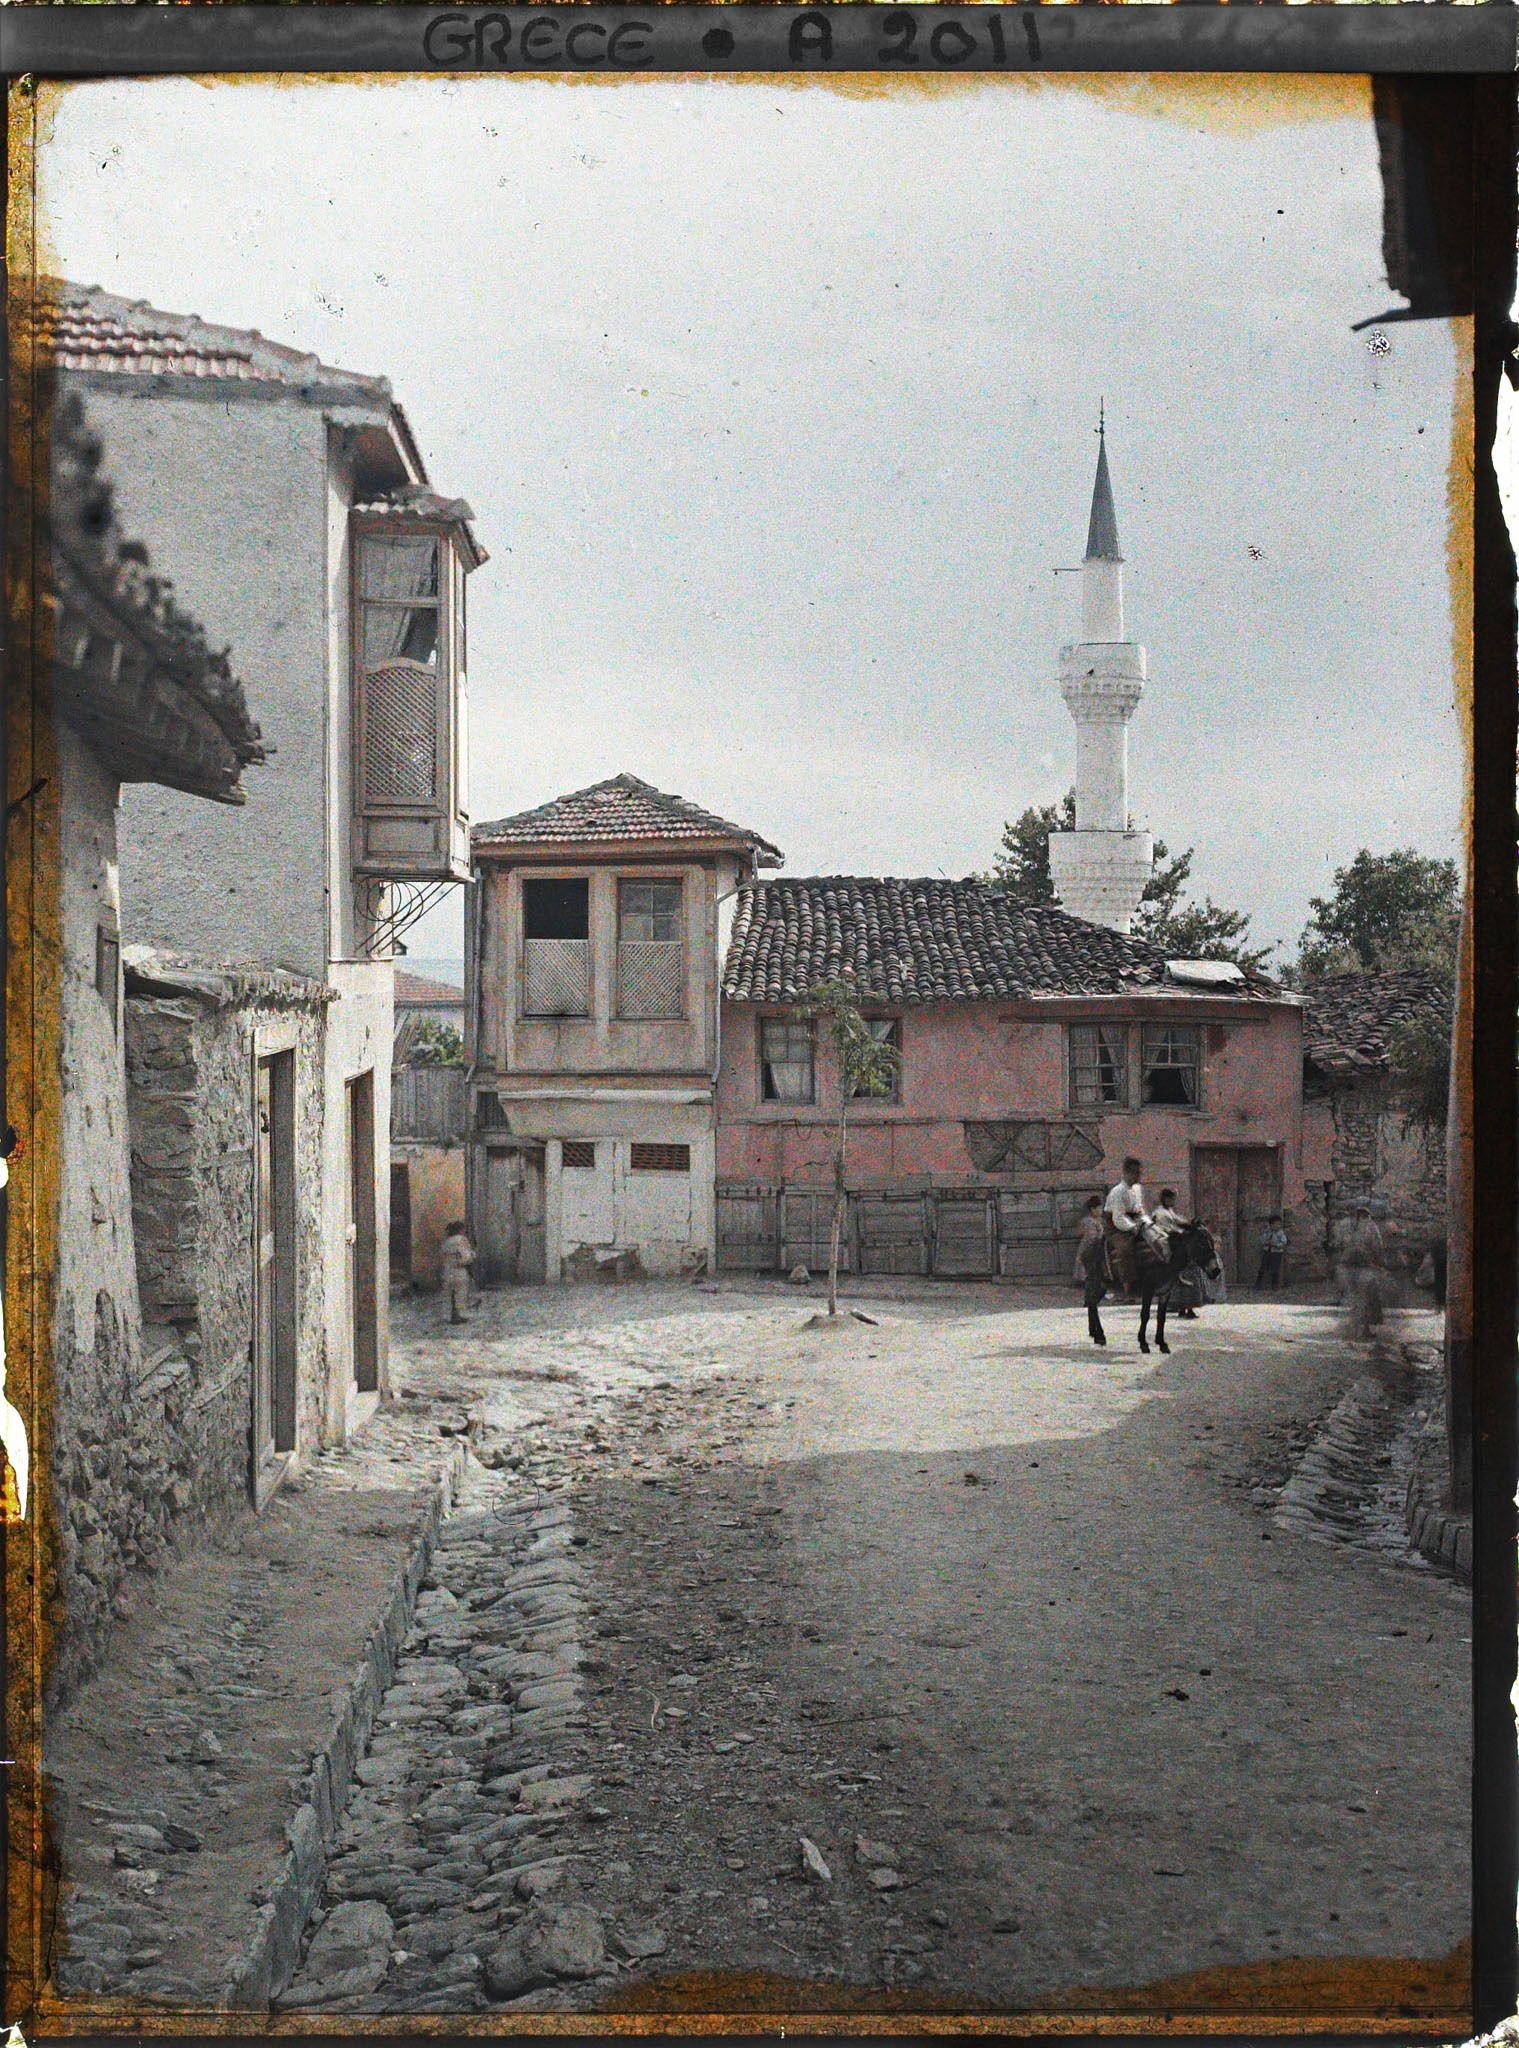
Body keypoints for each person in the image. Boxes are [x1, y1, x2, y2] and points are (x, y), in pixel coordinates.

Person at [1338, 1204, 1385, 1340]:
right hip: (1366, 1266)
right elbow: (1378, 1246)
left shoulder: (1345, 1226)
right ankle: (1364, 1329)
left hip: (1347, 1267)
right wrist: (1381, 1262)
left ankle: (1355, 1329)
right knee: (1368, 1298)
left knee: (1354, 1298)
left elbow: (1338, 1244)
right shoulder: (1371, 1227)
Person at [1103, 1157, 1147, 1299]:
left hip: (1134, 1221)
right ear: (1126, 1173)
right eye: (1134, 1173)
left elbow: (1139, 1210)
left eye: (1139, 1173)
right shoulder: (1118, 1191)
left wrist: (1146, 1223)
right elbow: (1118, 1218)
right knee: (1125, 1248)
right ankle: (1128, 1288)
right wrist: (1133, 1228)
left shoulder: (1137, 1189)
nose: (1137, 1176)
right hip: (1116, 1228)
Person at [1074, 1194, 1111, 1345]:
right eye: (1097, 1208)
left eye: (1101, 1208)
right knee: (1090, 1276)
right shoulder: (1088, 1221)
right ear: (1092, 1209)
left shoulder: (1100, 1221)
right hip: (1090, 1249)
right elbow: (1081, 1234)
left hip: (1098, 1248)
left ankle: (1090, 1301)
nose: (1100, 1211)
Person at [440, 1219, 475, 1325]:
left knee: (449, 1294)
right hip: (459, 1271)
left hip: (447, 1270)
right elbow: (466, 1257)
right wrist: (472, 1256)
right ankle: (458, 1315)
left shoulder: (447, 1241)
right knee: (460, 1293)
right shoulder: (461, 1240)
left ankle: (451, 1316)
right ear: (461, 1230)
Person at [1255, 1214, 1288, 1291]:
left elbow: (1284, 1242)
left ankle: (1274, 1285)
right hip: (1267, 1251)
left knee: (1275, 1269)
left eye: (1279, 1224)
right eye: (1276, 1224)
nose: (1278, 1226)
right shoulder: (1267, 1232)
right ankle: (1258, 1283)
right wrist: (1266, 1242)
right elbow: (1262, 1240)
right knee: (1262, 1268)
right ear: (1271, 1225)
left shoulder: (1280, 1233)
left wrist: (1276, 1245)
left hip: (1276, 1253)